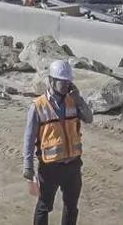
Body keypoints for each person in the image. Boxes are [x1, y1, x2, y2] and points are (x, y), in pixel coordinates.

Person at [23, 60, 92, 225]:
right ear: (51, 81)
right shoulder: (38, 106)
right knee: (44, 206)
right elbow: (29, 137)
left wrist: (79, 99)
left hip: (73, 165)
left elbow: (89, 118)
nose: (66, 85)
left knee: (71, 207)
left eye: (68, 82)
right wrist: (28, 165)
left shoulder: (73, 101)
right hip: (50, 168)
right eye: (62, 81)